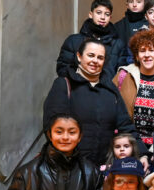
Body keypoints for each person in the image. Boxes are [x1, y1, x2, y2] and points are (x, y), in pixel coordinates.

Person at [42, 39, 148, 167]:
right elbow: (52, 126)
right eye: (90, 55)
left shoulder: (110, 89)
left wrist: (142, 153)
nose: (95, 61)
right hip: (69, 167)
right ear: (79, 56)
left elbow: (125, 125)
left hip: (102, 168)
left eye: (100, 57)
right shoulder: (64, 84)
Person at [113, 31, 154, 148]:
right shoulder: (123, 76)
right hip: (129, 146)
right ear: (137, 56)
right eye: (142, 51)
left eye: (151, 50)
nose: (147, 55)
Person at [56, 0, 124, 80]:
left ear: (110, 18)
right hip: (78, 89)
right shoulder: (73, 41)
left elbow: (121, 75)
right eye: (98, 13)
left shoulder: (118, 44)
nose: (103, 17)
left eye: (107, 14)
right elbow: (62, 68)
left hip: (106, 90)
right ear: (91, 14)